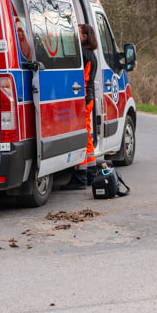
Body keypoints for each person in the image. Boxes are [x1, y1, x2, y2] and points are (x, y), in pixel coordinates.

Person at [62, 24, 99, 190]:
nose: (74, 35)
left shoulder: (83, 55)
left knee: (81, 138)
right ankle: (90, 174)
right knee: (87, 137)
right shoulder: (91, 54)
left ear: (84, 37)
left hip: (82, 100)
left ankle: (80, 178)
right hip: (88, 99)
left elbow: (79, 79)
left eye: (77, 33)